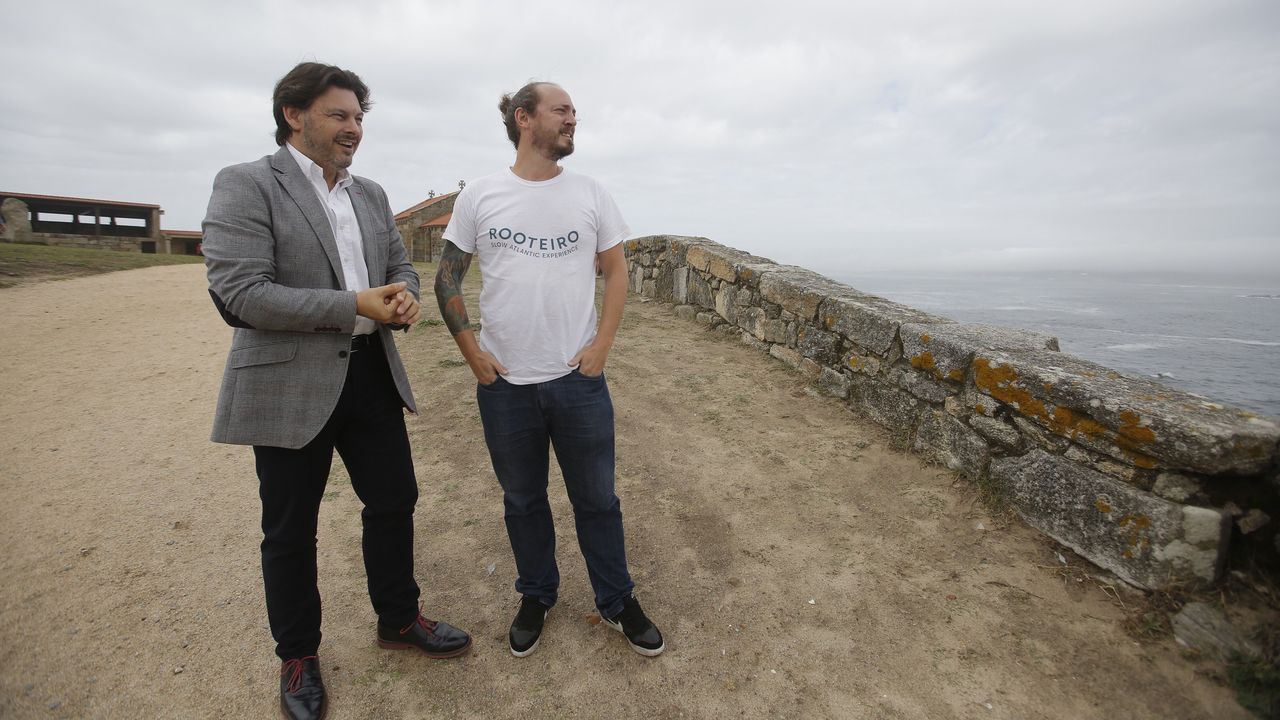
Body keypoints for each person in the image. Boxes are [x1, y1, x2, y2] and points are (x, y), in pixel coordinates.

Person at [203, 62, 470, 720]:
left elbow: (399, 263)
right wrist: (353, 303)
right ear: (294, 115)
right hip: (288, 380)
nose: (354, 128)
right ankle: (298, 655)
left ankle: (398, 619)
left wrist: (403, 295)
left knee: (394, 500)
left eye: (358, 117)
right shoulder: (245, 184)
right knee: (290, 529)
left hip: (371, 373)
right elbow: (242, 294)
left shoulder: (370, 194)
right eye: (339, 115)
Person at [434, 81, 664, 659]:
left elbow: (616, 271)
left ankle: (616, 600)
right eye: (561, 110)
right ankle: (536, 594)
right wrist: (471, 351)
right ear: (524, 118)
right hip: (505, 385)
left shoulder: (590, 193)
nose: (572, 119)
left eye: (574, 112)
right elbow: (446, 276)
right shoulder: (480, 195)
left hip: (577, 382)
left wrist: (602, 346)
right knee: (523, 500)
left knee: (598, 500)